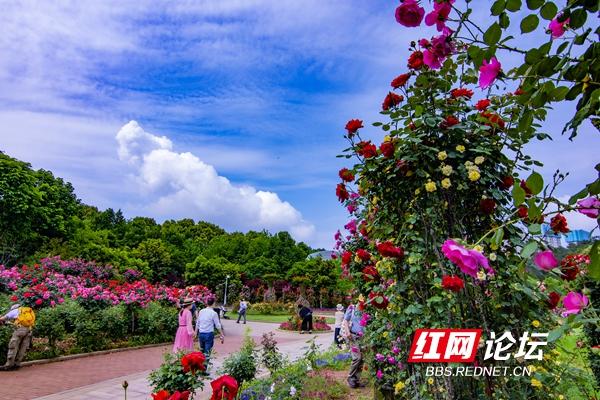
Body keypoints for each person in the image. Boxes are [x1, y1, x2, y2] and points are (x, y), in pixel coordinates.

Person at [0, 303, 36, 371]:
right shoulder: (28, 311)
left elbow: (3, 319)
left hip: (20, 330)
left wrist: (2, 319)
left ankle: (8, 365)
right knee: (22, 348)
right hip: (29, 331)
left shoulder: (15, 311)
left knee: (13, 346)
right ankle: (17, 365)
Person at [196, 297, 224, 366]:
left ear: (207, 303)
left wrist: (195, 332)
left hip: (201, 334)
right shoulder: (213, 313)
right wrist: (221, 334)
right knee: (207, 352)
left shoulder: (201, 311)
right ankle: (204, 369)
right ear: (213, 303)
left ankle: (200, 367)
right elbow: (218, 325)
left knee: (202, 351)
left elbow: (198, 323)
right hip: (209, 334)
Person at [343, 303, 365, 389]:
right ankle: (350, 377)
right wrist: (347, 331)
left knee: (362, 359)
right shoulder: (352, 308)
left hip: (364, 337)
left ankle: (356, 379)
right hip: (353, 336)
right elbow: (345, 320)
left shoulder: (368, 309)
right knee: (357, 358)